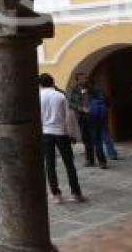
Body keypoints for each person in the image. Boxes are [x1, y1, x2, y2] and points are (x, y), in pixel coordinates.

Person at [40, 73, 86, 204]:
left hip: (46, 132)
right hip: (61, 132)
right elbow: (68, 117)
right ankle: (76, 193)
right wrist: (71, 134)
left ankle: (56, 194)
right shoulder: (60, 96)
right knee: (69, 164)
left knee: (50, 164)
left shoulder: (37, 97)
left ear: (40, 84)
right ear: (52, 82)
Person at [69, 73, 99, 167]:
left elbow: (98, 98)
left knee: (96, 138)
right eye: (81, 78)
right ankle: (90, 160)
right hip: (82, 117)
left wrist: (93, 107)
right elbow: (71, 103)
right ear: (77, 80)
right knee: (86, 139)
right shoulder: (74, 90)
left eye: (85, 78)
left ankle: (101, 160)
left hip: (93, 115)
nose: (84, 80)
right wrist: (80, 108)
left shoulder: (91, 88)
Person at [88, 91, 109, 169]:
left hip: (94, 125)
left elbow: (90, 115)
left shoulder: (92, 104)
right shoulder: (103, 103)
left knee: (97, 143)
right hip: (103, 124)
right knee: (104, 139)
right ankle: (107, 158)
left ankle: (102, 162)